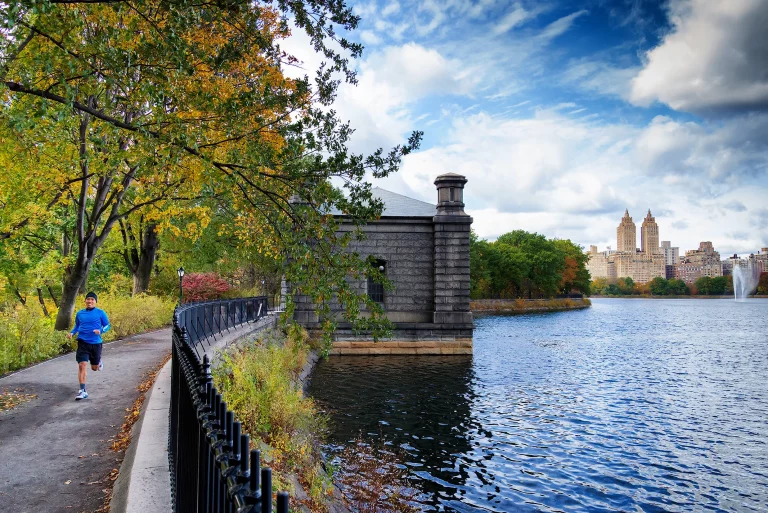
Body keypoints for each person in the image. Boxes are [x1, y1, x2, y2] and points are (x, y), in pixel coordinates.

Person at [67, 292, 110, 400]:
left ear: (95, 302)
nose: (90, 301)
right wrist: (72, 332)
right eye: (88, 299)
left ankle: (98, 362)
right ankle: (82, 390)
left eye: (92, 299)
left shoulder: (100, 313)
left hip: (96, 343)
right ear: (85, 301)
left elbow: (107, 325)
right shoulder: (80, 313)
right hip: (82, 342)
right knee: (82, 365)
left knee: (94, 368)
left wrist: (100, 330)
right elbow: (77, 325)